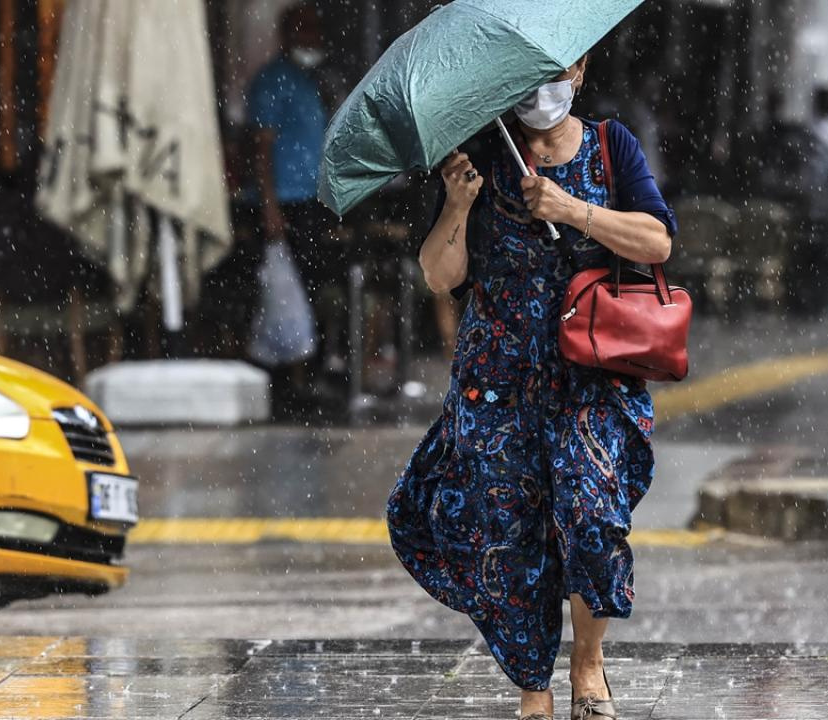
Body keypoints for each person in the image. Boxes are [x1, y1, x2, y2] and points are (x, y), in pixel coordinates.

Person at [387, 55, 676, 720]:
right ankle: (533, 693)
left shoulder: (610, 146)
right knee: (506, 538)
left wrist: (574, 210)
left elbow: (656, 241)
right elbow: (438, 274)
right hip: (499, 379)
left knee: (593, 517)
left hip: (591, 369)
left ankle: (588, 663)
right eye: (523, 75)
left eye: (555, 71)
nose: (539, 88)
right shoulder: (484, 153)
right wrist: (458, 204)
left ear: (578, 71)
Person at [247, 2, 339, 418]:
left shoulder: (312, 81)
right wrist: (269, 208)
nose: (312, 42)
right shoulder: (271, 81)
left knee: (313, 289)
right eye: (305, 33)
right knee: (286, 292)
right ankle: (287, 383)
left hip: (311, 199)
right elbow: (260, 149)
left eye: (316, 33)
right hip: (284, 201)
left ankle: (309, 376)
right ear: (287, 36)